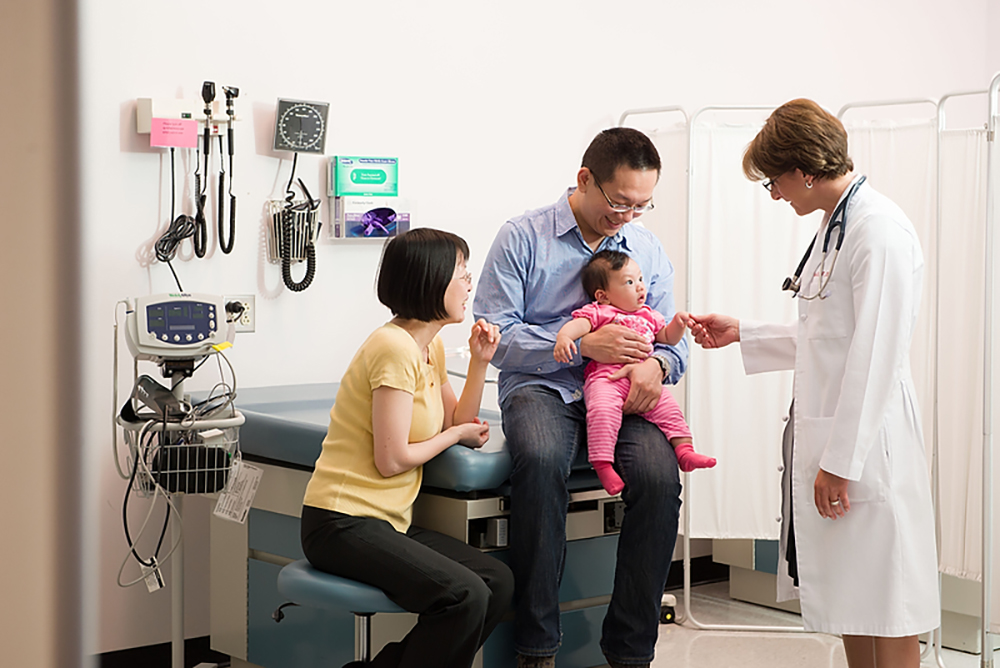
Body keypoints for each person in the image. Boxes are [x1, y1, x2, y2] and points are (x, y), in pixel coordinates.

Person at [688, 99, 939, 668]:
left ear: (803, 169)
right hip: (838, 433)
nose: (775, 194)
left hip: (869, 446)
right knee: (854, 599)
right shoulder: (836, 225)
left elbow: (875, 355)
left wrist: (840, 460)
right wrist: (745, 333)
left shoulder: (879, 231)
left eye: (774, 181)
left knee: (889, 599)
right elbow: (829, 336)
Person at [474, 127, 686, 668]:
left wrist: (657, 365)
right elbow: (495, 334)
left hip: (622, 391)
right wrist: (579, 344)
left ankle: (630, 651)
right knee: (542, 461)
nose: (628, 217)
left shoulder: (646, 249)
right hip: (542, 386)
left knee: (662, 479)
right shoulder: (523, 236)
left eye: (642, 205)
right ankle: (537, 645)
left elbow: (671, 344)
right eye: (619, 202)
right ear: (584, 179)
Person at [300, 228, 514, 668]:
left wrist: (479, 362)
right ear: (429, 280)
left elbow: (458, 419)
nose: (470, 282)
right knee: (464, 594)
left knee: (496, 580)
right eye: (461, 273)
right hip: (341, 522)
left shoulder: (428, 345)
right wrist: (455, 437)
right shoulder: (393, 347)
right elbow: (392, 458)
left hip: (384, 522)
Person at [554, 249, 715, 494]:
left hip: (640, 378)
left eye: (640, 279)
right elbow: (576, 326)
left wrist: (679, 323)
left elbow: (667, 338)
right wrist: (564, 339)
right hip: (606, 378)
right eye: (630, 282)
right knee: (603, 411)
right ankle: (603, 463)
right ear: (603, 295)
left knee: (670, 409)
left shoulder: (649, 315)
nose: (640, 287)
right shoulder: (601, 312)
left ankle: (685, 451)